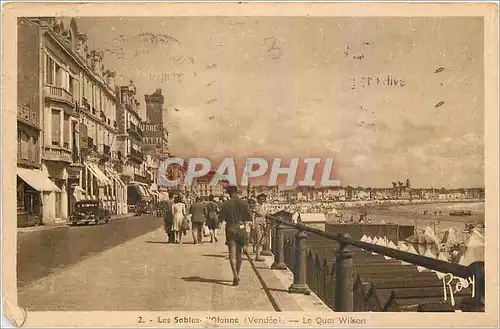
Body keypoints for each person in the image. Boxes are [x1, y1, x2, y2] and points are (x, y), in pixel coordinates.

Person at [219, 185, 251, 286]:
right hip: (241, 229)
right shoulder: (244, 203)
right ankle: (237, 273)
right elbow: (249, 217)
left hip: (230, 228)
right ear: (237, 192)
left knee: (232, 255)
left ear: (228, 193)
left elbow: (221, 218)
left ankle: (235, 275)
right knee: (239, 254)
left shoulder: (225, 204)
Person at [252, 193, 269, 262]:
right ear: (258, 199)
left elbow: (265, 214)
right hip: (258, 223)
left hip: (263, 223)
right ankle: (258, 256)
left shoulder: (264, 206)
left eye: (263, 199)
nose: (262, 200)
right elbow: (253, 215)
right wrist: (253, 224)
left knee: (262, 238)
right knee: (259, 238)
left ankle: (258, 255)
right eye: (261, 199)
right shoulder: (257, 206)